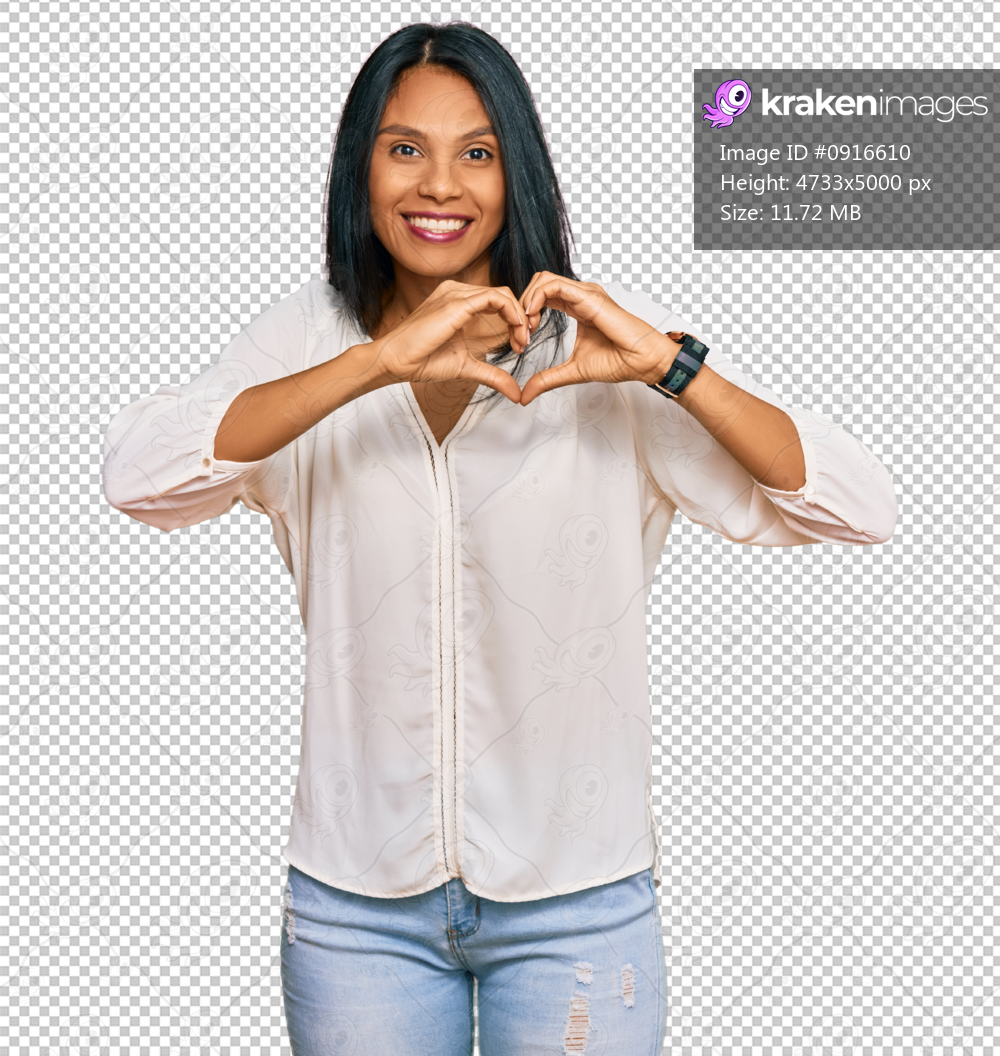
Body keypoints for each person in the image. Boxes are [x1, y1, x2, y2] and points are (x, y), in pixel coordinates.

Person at [102, 21, 899, 1056]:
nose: (439, 186)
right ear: (361, 165)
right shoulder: (308, 340)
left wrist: (673, 368)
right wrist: (376, 364)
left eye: (476, 152)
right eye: (404, 148)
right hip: (356, 909)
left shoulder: (606, 351)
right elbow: (138, 477)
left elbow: (854, 504)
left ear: (514, 170)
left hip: (578, 901)